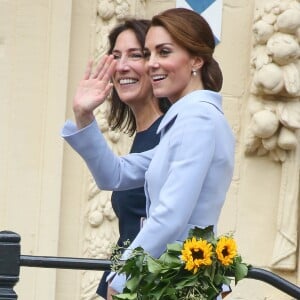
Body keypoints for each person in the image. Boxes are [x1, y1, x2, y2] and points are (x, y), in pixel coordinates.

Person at [61, 7, 235, 300]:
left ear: (196, 59)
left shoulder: (198, 119)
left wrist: (123, 277)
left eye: (164, 52)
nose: (153, 63)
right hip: (169, 282)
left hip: (180, 284)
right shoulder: (186, 119)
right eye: (150, 53)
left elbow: (171, 214)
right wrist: (83, 115)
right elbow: (114, 174)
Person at [64, 18, 170, 299]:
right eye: (116, 56)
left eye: (136, 55)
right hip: (124, 283)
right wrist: (83, 115)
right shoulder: (145, 135)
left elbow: (170, 224)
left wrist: (124, 280)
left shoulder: (173, 133)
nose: (122, 66)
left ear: (158, 65)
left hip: (149, 285)